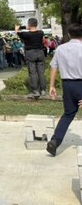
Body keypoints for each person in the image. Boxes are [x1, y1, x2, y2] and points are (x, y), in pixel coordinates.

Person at [46, 23, 82, 156]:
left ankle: (55, 141)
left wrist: (52, 86)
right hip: (80, 83)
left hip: (67, 84)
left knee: (68, 114)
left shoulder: (60, 49)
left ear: (68, 34)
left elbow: (53, 67)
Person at [15, 18, 47, 98]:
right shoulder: (41, 32)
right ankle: (43, 90)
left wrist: (18, 27)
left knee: (32, 72)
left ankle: (35, 91)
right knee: (41, 72)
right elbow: (43, 41)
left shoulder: (26, 34)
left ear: (29, 24)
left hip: (30, 53)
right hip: (40, 52)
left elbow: (17, 31)